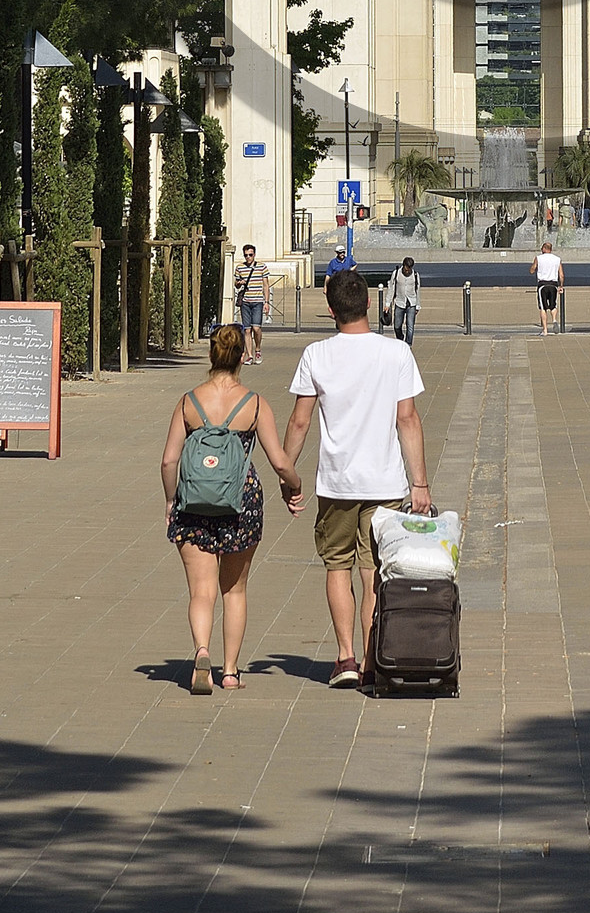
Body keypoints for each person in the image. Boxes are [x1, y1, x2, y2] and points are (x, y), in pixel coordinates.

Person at [282, 266, 432, 691]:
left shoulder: (316, 355)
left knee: (337, 566)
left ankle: (345, 656)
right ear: (369, 303)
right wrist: (420, 483)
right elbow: (408, 419)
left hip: (336, 484)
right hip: (385, 482)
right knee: (373, 573)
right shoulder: (396, 353)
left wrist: (288, 474)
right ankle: (370, 662)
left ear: (331, 310)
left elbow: (299, 422)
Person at [160, 322, 303, 695]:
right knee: (234, 591)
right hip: (241, 501)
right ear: (242, 357)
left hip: (193, 501)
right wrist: (295, 485)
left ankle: (201, 651)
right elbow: (279, 461)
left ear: (211, 355)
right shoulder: (254, 404)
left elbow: (169, 460)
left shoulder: (188, 402)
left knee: (201, 591)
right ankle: (229, 672)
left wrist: (171, 500)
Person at [233, 243, 271, 364]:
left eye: (250, 255)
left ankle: (258, 349)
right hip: (245, 301)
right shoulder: (240, 267)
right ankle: (249, 355)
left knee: (256, 328)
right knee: (247, 330)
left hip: (258, 301)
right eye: (246, 255)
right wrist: (239, 283)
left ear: (254, 254)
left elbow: (266, 285)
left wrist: (266, 302)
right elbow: (236, 284)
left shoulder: (261, 267)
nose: (248, 257)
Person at [531, 241, 563, 333]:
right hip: (553, 284)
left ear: (544, 249)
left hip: (543, 284)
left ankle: (545, 330)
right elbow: (561, 275)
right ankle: (554, 320)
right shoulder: (557, 259)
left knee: (543, 307)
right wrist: (561, 286)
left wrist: (534, 266)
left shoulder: (538, 258)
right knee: (553, 305)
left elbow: (532, 270)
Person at [389, 256, 421, 346]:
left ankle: (408, 344)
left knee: (410, 326)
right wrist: (388, 303)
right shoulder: (396, 273)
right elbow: (391, 288)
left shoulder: (415, 275)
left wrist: (418, 305)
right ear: (403, 266)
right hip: (399, 302)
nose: (407, 271)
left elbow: (417, 290)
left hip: (411, 303)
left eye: (409, 269)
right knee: (397, 326)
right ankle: (400, 338)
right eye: (406, 269)